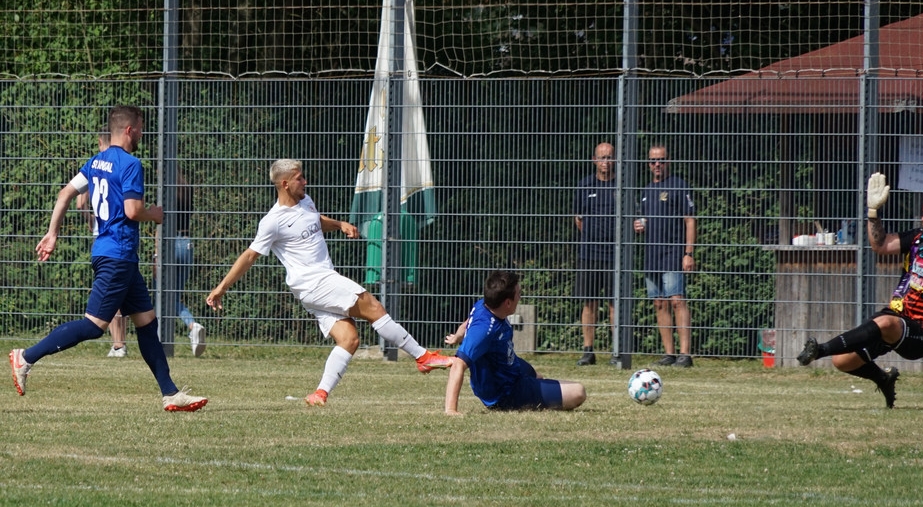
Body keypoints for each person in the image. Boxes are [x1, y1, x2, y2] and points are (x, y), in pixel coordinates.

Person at [205, 159, 452, 406]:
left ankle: (320, 394)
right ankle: (423, 357)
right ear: (285, 183)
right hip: (315, 282)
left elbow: (315, 220)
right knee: (373, 307)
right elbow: (250, 255)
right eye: (299, 178)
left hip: (313, 288)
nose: (305, 181)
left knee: (349, 339)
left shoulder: (305, 201)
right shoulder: (273, 221)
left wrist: (340, 224)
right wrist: (221, 288)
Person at [9, 105, 208, 412]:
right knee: (94, 326)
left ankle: (171, 393)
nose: (142, 133)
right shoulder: (131, 164)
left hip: (116, 254)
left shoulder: (95, 162)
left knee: (146, 322)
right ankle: (26, 357)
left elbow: (64, 194)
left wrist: (52, 233)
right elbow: (132, 210)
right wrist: (154, 214)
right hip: (117, 255)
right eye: (140, 128)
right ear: (129, 130)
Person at [796, 173, 923, 408]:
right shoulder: (917, 238)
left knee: (886, 322)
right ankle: (883, 378)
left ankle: (820, 350)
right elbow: (880, 245)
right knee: (843, 361)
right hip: (896, 319)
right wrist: (872, 213)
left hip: (921, 333)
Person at [444, 270, 586, 414]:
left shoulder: (482, 305)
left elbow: (469, 322)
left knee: (537, 376)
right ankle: (523, 398)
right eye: (518, 294)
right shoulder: (484, 330)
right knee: (578, 392)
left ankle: (537, 390)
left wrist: (457, 336)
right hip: (506, 392)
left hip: (511, 367)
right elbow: (458, 365)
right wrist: (450, 409)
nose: (520, 297)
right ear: (507, 302)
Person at [634, 145, 696, 368]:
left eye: (661, 160)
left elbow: (690, 220)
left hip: (673, 252)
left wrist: (688, 253)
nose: (657, 164)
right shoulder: (646, 190)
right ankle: (669, 354)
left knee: (677, 300)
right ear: (648, 164)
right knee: (659, 303)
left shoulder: (679, 186)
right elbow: (642, 220)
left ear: (668, 161)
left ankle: (685, 354)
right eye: (653, 161)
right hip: (652, 254)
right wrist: (638, 226)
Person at [76, 128, 129, 357]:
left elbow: (80, 203)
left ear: (100, 141)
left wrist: (91, 219)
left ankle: (118, 344)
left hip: (104, 238)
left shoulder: (95, 165)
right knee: (122, 293)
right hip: (123, 237)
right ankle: (120, 342)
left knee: (112, 295)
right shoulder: (124, 163)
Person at [573, 141, 617, 366]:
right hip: (589, 253)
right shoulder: (584, 185)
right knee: (589, 302)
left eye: (609, 157)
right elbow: (578, 220)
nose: (605, 162)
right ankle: (588, 350)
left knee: (614, 303)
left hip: (614, 256)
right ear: (594, 160)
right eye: (602, 157)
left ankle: (616, 351)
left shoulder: (621, 186)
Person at [160, 168, 207, 357]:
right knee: (174, 296)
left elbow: (160, 225)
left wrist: (156, 255)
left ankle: (190, 326)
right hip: (187, 244)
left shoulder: (165, 193)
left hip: (169, 244)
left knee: (161, 294)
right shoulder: (187, 190)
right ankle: (193, 327)